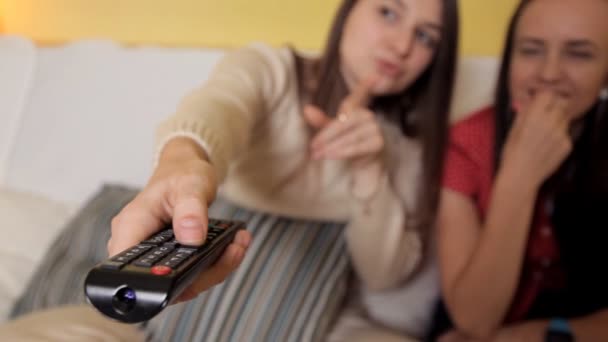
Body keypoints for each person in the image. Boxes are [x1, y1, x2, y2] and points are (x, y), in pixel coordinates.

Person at [109, 0, 458, 340]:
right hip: (183, 292)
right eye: (388, 12)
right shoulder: (269, 70)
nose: (401, 46)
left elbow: (383, 276)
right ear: (349, 9)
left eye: (426, 37)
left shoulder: (410, 149)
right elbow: (219, 105)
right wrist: (182, 158)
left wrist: (369, 170)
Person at [432, 0, 608, 340]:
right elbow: (474, 319)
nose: (549, 73)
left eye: (579, 54)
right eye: (531, 50)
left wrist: (544, 334)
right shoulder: (464, 144)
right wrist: (518, 176)